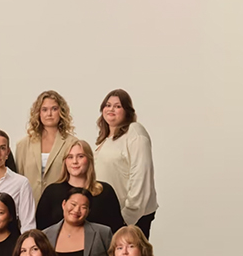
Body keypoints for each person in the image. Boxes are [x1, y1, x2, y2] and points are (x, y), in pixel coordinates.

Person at [93, 89, 158, 236]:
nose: (111, 109)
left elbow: (141, 175)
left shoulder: (135, 133)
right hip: (108, 214)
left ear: (127, 111)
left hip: (129, 218)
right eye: (108, 105)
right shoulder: (105, 139)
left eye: (117, 106)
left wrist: (128, 217)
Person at [40, 187, 113, 256]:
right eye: (73, 204)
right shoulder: (45, 235)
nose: (77, 210)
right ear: (64, 204)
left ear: (88, 211)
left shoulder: (102, 233)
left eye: (83, 207)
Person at [35, 140, 124, 232]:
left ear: (89, 160)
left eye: (80, 156)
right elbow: (40, 231)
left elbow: (117, 230)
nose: (74, 161)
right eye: (70, 157)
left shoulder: (105, 191)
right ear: (65, 161)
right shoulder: (52, 192)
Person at [15, 90, 78, 201]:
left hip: (60, 204)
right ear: (38, 113)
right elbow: (18, 180)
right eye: (44, 109)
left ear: (61, 111)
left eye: (54, 109)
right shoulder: (23, 145)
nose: (49, 114)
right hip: (29, 204)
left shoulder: (72, 143)